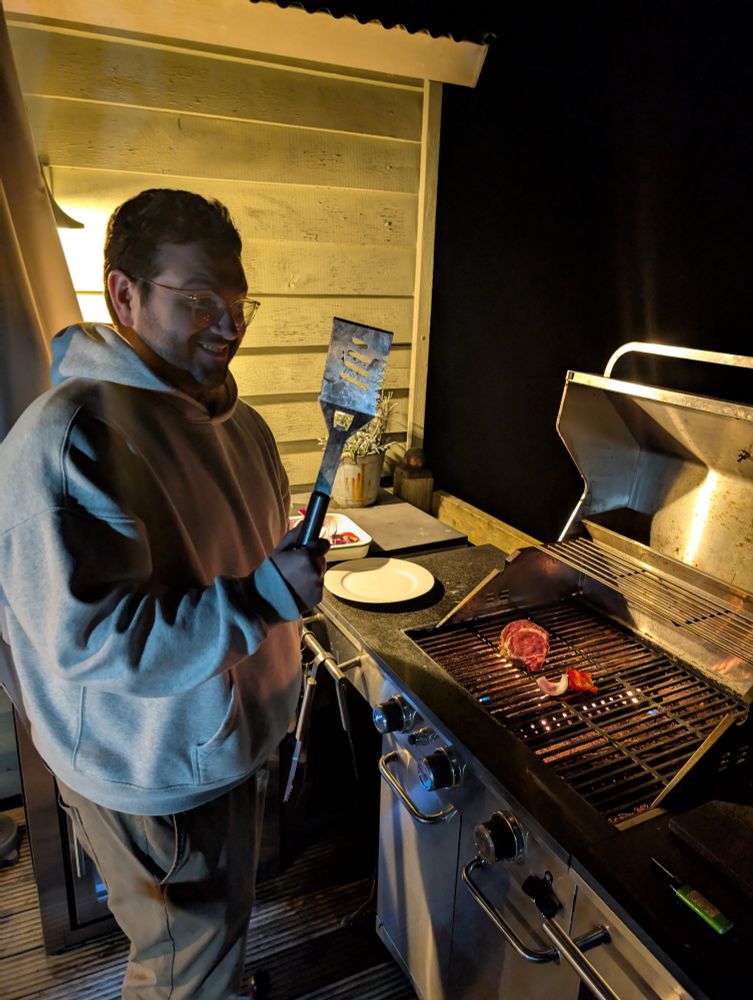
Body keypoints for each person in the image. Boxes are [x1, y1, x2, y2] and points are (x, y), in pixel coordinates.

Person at [0, 188, 328, 998]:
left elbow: (237, 558)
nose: (229, 323)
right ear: (124, 294)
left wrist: (273, 582)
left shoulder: (238, 422)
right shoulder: (72, 436)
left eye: (238, 301)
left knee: (208, 936)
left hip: (219, 744)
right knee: (185, 959)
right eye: (199, 300)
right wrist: (260, 598)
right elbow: (95, 640)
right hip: (151, 770)